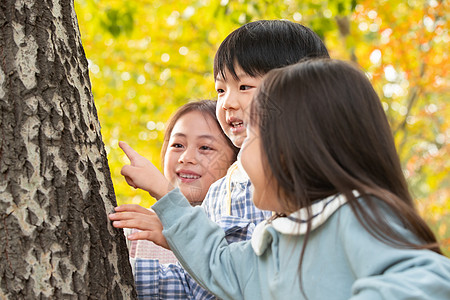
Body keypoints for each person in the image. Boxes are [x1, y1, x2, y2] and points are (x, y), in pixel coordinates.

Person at [113, 59, 450, 299]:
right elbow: (216, 263)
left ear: (296, 151)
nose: (241, 154)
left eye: (253, 137)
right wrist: (170, 202)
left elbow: (426, 281)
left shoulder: (354, 215)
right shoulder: (271, 242)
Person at [111, 20, 329, 299]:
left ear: (297, 90)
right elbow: (200, 286)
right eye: (221, 90)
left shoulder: (310, 182)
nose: (227, 103)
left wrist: (166, 200)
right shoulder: (219, 192)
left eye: (245, 86)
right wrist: (115, 270)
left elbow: (243, 272)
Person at [123, 99, 238, 263]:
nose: (186, 158)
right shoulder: (137, 229)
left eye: (205, 147)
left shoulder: (237, 229)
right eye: (177, 145)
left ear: (235, 162)